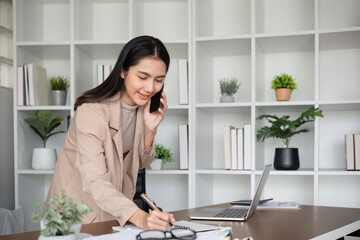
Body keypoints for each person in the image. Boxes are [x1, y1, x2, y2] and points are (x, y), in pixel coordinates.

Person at [45, 35, 175, 231]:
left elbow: (141, 162)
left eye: (158, 80)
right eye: (142, 77)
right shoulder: (91, 111)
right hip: (75, 215)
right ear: (123, 71)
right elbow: (94, 180)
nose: (150, 88)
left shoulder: (143, 108)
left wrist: (150, 130)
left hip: (113, 211)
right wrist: (140, 217)